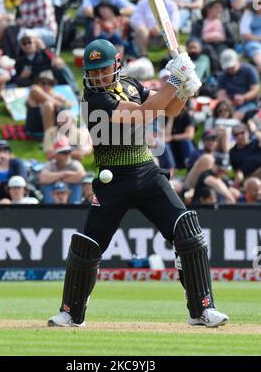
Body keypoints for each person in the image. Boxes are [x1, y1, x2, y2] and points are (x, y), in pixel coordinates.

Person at [48, 38, 228, 328]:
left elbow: (168, 110)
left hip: (146, 172)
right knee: (88, 246)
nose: (97, 77)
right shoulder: (94, 100)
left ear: (117, 65)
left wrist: (184, 90)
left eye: (102, 71)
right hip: (112, 180)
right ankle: (71, 313)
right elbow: (144, 113)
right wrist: (174, 78)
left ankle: (202, 310)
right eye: (92, 72)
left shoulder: (131, 84)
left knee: (187, 230)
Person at [39, 136, 85, 204]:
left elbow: (82, 176)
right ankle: (49, 210)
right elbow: (42, 179)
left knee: (76, 185)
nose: (68, 155)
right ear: (56, 154)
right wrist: (65, 174)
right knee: (48, 186)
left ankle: (75, 208)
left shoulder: (75, 163)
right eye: (64, 152)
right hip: (54, 191)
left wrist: (59, 179)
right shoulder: (50, 164)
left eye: (69, 152)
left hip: (69, 191)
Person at [217, 49, 260, 120]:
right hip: (230, 103)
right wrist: (228, 102)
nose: (230, 69)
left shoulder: (250, 70)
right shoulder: (223, 75)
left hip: (249, 103)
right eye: (228, 68)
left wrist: (243, 97)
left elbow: (255, 90)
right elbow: (221, 93)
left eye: (232, 67)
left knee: (236, 116)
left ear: (237, 60)